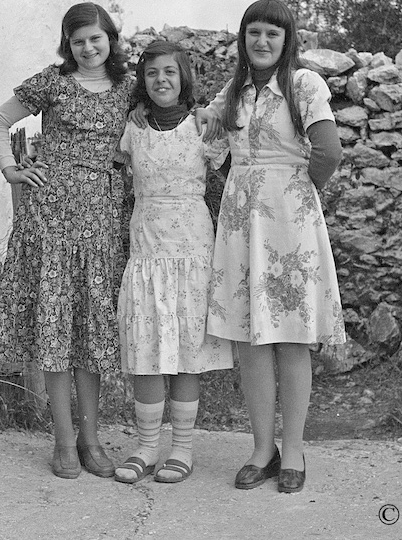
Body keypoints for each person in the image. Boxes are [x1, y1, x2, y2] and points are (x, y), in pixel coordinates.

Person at [196, 0, 345, 494]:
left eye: (272, 34)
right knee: (251, 338)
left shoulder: (304, 84)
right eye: (254, 32)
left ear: (287, 40)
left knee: (292, 335)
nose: (262, 42)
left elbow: (328, 151)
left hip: (289, 219)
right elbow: (209, 147)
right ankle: (263, 450)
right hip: (242, 222)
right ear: (243, 38)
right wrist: (241, 180)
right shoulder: (233, 91)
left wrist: (295, 192)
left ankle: (294, 449)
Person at [0, 2, 135, 480]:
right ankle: (64, 442)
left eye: (96, 38)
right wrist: (11, 170)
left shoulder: (129, 88)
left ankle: (92, 440)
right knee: (55, 328)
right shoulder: (52, 82)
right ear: (67, 45)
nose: (88, 48)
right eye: (78, 41)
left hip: (102, 220)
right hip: (50, 219)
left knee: (90, 330)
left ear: (110, 38)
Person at [112, 41, 233, 485]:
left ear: (183, 77)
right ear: (142, 81)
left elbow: (238, 167)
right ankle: (146, 447)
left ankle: (181, 449)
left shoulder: (204, 128)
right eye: (151, 73)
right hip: (147, 251)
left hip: (191, 251)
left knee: (186, 353)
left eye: (169, 72)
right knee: (146, 349)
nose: (161, 80)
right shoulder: (133, 129)